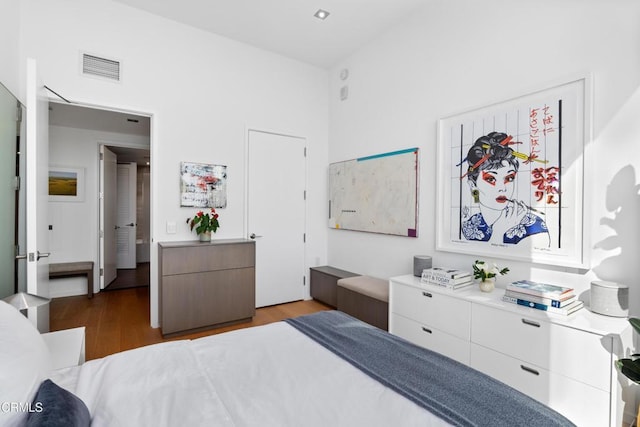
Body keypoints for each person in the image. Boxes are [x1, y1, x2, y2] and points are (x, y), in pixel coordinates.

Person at [461, 132, 549, 246]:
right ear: (473, 185)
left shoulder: (533, 228)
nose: (502, 188)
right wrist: (498, 232)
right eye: (491, 179)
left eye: (509, 178)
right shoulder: (470, 225)